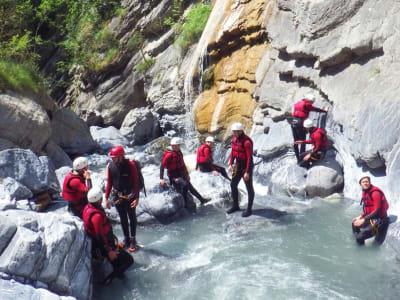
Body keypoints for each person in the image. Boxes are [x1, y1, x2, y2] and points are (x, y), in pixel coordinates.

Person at [83, 188, 134, 285]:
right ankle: (108, 279)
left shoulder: (87, 208)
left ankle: (119, 275)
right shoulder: (96, 217)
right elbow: (99, 236)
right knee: (129, 261)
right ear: (98, 200)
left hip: (103, 243)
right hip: (105, 245)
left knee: (117, 264)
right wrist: (109, 251)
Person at [104, 145, 139, 252]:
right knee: (122, 217)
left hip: (129, 196)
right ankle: (126, 238)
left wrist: (136, 198)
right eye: (112, 157)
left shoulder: (131, 165)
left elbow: (136, 182)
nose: (112, 159)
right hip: (117, 196)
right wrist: (106, 197)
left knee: (132, 217)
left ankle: (133, 239)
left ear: (120, 156)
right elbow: (110, 182)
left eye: (114, 157)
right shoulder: (111, 166)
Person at [160, 137, 210, 207]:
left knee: (190, 187)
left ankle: (202, 200)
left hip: (181, 173)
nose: (179, 146)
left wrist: (186, 175)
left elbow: (182, 164)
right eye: (178, 145)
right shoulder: (169, 155)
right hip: (174, 175)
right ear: (173, 146)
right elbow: (162, 166)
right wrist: (161, 178)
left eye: (179, 145)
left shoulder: (179, 152)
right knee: (185, 185)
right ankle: (185, 203)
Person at [226, 122, 255, 217]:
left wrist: (247, 172)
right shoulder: (234, 139)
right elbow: (233, 153)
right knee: (233, 184)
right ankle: (235, 206)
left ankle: (249, 209)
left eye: (235, 132)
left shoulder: (247, 142)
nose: (233, 133)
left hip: (247, 166)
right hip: (238, 165)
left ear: (240, 131)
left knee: (249, 187)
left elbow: (249, 158)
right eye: (233, 132)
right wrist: (230, 164)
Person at [352, 176, 389, 245]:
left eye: (367, 181)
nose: (365, 183)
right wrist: (360, 216)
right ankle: (358, 240)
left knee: (360, 237)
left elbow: (377, 211)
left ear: (370, 182)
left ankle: (360, 246)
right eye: (363, 182)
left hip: (380, 220)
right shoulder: (366, 192)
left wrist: (363, 219)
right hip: (372, 218)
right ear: (360, 184)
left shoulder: (375, 193)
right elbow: (369, 208)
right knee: (354, 224)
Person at [291, 94, 328, 162]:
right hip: (300, 123)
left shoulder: (298, 103)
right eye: (312, 102)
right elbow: (315, 109)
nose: (312, 103)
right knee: (302, 142)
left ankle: (298, 158)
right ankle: (301, 159)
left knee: (295, 142)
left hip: (293, 122)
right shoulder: (307, 104)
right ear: (310, 101)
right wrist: (324, 111)